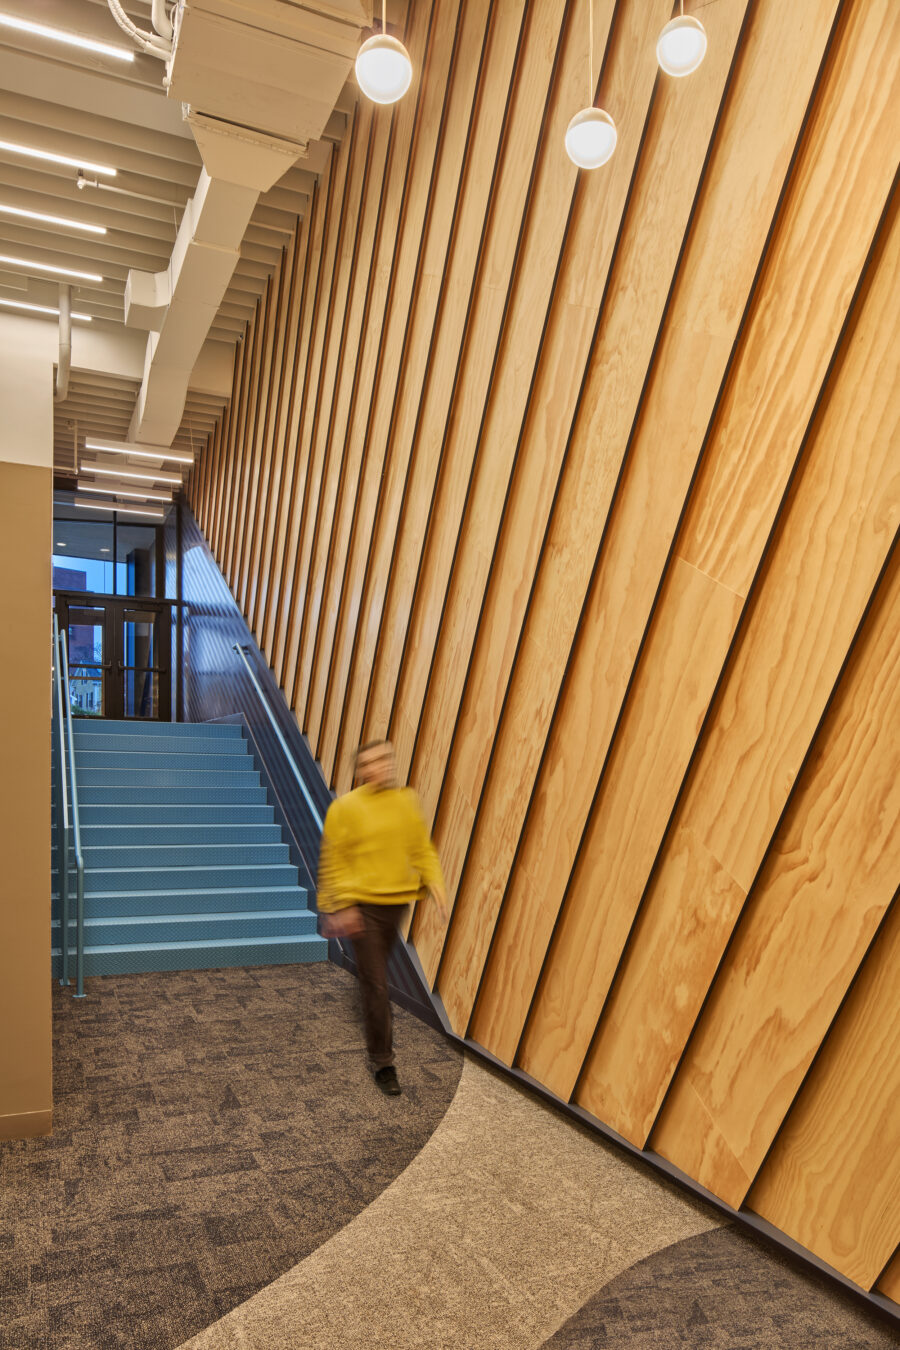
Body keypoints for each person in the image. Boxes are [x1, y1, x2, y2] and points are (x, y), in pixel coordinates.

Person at [317, 739, 448, 1096]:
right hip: (363, 907)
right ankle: (383, 1062)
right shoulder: (346, 808)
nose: (379, 766)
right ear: (361, 770)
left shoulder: (406, 801)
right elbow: (334, 859)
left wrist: (436, 886)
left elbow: (420, 847)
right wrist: (337, 905)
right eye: (370, 762)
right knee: (376, 984)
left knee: (376, 976)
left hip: (397, 904)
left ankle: (374, 1018)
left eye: (385, 759)